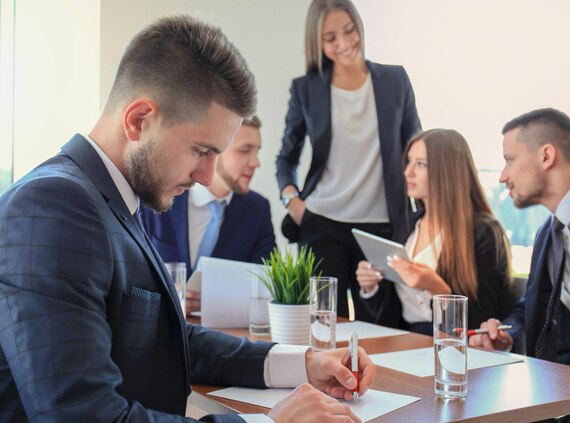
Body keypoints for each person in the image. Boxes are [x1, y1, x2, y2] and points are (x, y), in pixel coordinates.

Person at [0, 15, 374, 422]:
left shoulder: (112, 196)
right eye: (201, 151)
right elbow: (81, 416)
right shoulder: (53, 205)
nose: (207, 177)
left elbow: (161, 336)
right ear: (139, 120)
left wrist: (303, 363)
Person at [469, 108, 570, 422]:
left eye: (509, 160)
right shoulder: (548, 233)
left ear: (546, 156)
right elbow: (532, 306)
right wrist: (507, 333)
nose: (503, 176)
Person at [276, 0, 422, 321]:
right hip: (322, 223)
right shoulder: (306, 90)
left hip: (382, 227)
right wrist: (292, 202)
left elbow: (416, 146)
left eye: (349, 30)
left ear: (358, 26)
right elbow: (287, 157)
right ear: (317, 42)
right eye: (331, 38)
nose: (344, 44)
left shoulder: (394, 81)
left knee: (384, 323)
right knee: (327, 323)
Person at [356, 129, 514, 334]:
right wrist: (371, 286)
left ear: (447, 171)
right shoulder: (408, 226)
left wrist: (437, 288)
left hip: (450, 349)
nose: (408, 172)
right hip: (403, 341)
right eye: (409, 161)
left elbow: (484, 323)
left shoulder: (483, 233)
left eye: (421, 164)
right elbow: (392, 313)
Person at [141, 116, 275, 313]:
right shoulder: (159, 195)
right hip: (159, 332)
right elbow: (129, 283)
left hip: (227, 335)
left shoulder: (258, 210)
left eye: (257, 151)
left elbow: (267, 288)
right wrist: (165, 301)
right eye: (245, 150)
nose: (256, 162)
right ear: (215, 150)